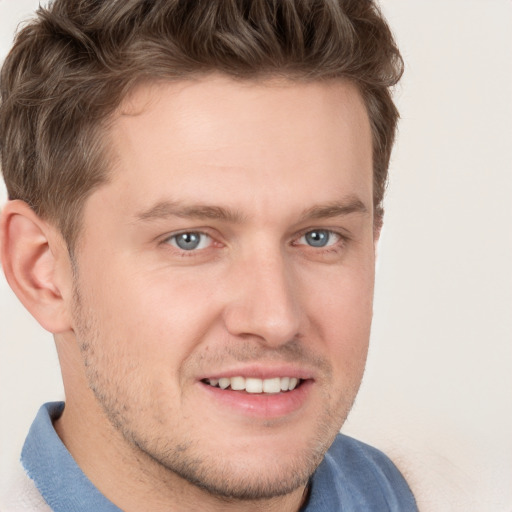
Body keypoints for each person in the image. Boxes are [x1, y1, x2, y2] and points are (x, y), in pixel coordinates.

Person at [0, 0, 417, 510]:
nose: (275, 319)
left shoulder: (448, 490)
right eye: (190, 240)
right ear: (42, 271)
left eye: (318, 237)